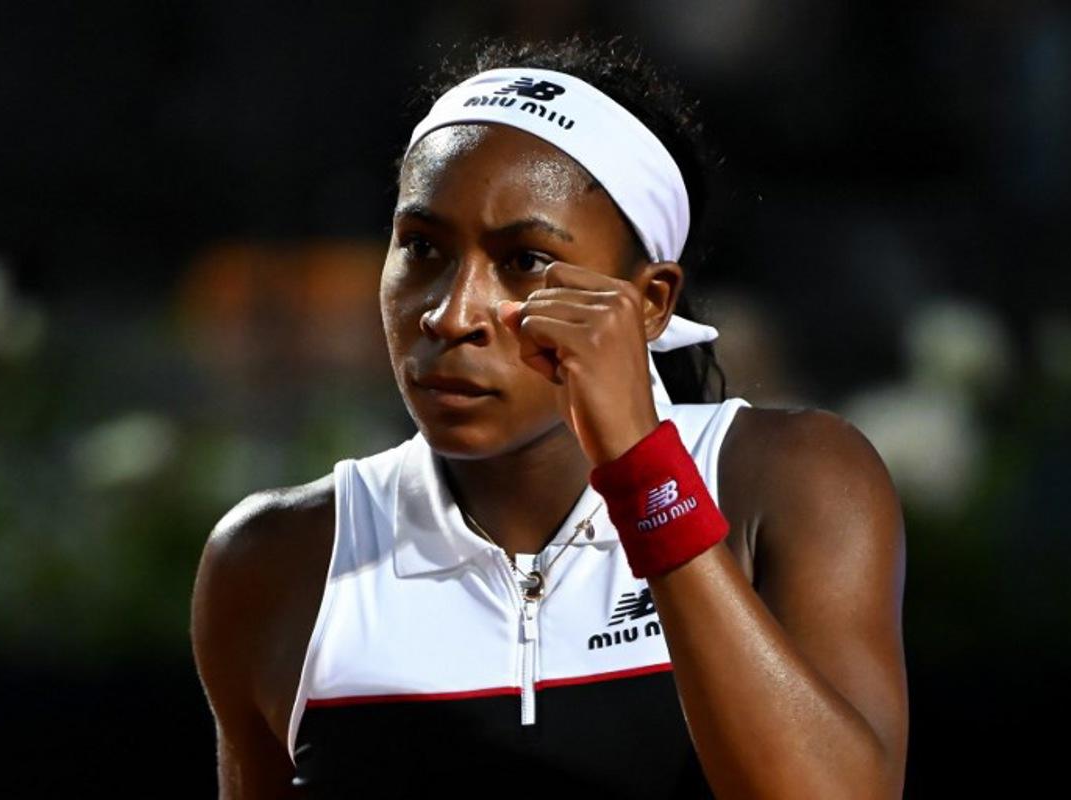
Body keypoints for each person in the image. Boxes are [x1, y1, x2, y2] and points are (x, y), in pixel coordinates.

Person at [191, 35, 908, 799]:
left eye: (524, 261)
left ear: (650, 303)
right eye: (423, 247)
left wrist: (644, 470)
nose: (452, 314)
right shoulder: (273, 559)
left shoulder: (795, 480)